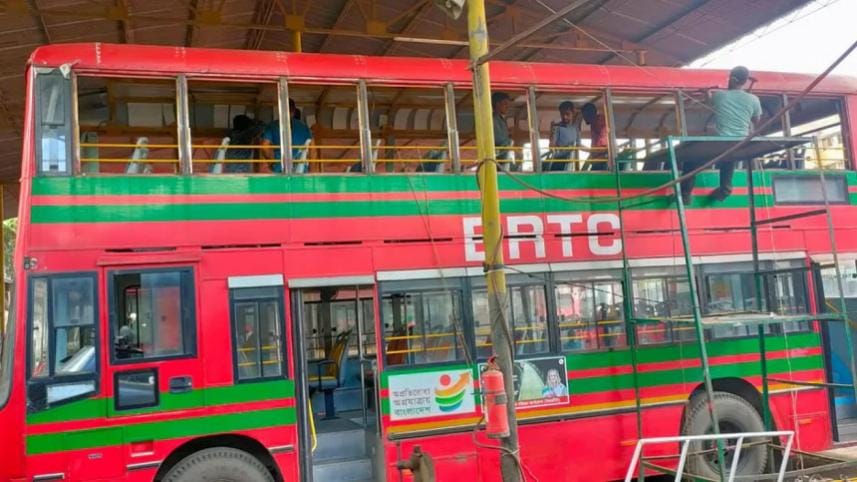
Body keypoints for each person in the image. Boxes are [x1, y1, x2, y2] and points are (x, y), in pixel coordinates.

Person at [680, 66, 762, 203]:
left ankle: (685, 195)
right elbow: (756, 120)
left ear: (732, 79)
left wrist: (707, 93)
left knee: (691, 162)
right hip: (740, 143)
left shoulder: (719, 95)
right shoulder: (754, 99)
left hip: (720, 142)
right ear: (744, 81)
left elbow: (709, 103)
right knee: (728, 161)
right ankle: (724, 190)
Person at [261, 98, 313, 173]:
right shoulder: (304, 127)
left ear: (280, 110)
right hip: (301, 169)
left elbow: (264, 146)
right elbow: (312, 149)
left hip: (279, 168)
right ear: (294, 111)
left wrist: (271, 162)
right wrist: (312, 171)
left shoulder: (272, 126)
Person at [547, 101, 580, 171]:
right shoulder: (557, 127)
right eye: (562, 114)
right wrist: (551, 133)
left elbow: (578, 145)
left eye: (567, 114)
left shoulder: (576, 129)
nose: (564, 117)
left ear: (573, 113)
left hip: (570, 163)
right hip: (558, 162)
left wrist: (592, 152)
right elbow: (551, 147)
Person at [581, 102, 609, 171]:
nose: (584, 118)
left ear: (589, 114)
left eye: (585, 115)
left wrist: (588, 150)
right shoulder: (593, 124)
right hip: (597, 159)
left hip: (602, 161)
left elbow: (603, 146)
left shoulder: (599, 122)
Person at [491, 91, 515, 169]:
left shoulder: (501, 119)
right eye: (505, 104)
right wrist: (510, 141)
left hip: (503, 157)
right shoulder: (494, 119)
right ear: (498, 104)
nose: (507, 107)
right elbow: (498, 139)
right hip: (499, 159)